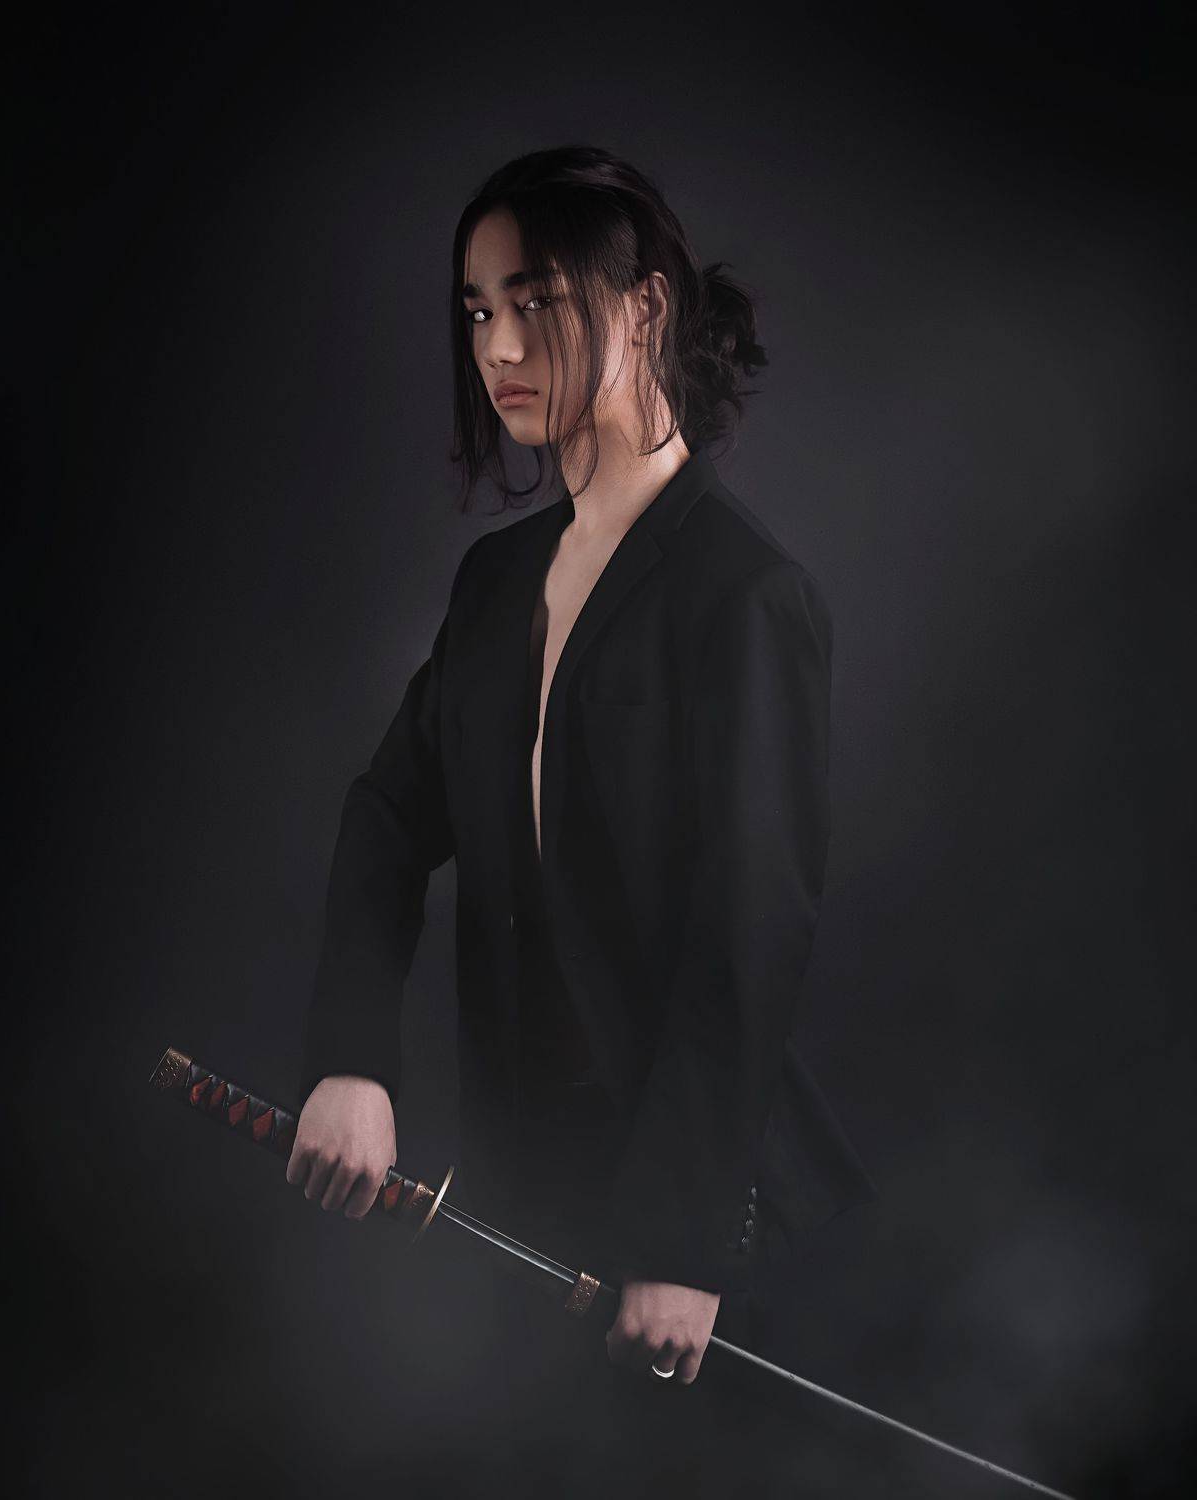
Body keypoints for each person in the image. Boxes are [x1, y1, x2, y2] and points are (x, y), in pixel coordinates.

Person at [286, 145, 873, 1474]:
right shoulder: (498, 584)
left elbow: (750, 931)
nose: (497, 346)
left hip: (705, 1240)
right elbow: (388, 815)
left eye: (535, 301)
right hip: (521, 1210)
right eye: (477, 309)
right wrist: (351, 1059)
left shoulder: (745, 595)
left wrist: (681, 1242)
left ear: (644, 306)